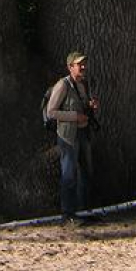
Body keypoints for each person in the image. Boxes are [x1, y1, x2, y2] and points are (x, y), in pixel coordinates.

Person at [46, 50, 100, 225]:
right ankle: (67, 214)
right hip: (68, 136)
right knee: (69, 175)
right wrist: (75, 116)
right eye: (79, 64)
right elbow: (51, 112)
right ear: (70, 67)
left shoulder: (83, 84)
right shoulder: (62, 85)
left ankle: (83, 211)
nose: (83, 67)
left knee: (86, 172)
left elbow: (82, 105)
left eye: (84, 63)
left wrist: (90, 106)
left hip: (83, 133)